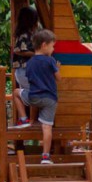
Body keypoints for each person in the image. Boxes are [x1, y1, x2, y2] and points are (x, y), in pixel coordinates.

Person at [20, 29, 59, 164]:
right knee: (47, 127)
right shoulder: (50, 61)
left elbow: (29, 79)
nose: (53, 49)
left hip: (34, 98)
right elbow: (58, 78)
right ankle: (45, 156)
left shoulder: (30, 62)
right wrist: (58, 68)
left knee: (16, 93)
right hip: (49, 99)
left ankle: (25, 119)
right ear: (44, 45)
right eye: (52, 46)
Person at [10, 6, 41, 125]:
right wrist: (35, 54)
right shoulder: (24, 35)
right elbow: (18, 50)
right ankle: (29, 120)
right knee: (34, 92)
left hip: (25, 70)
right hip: (25, 70)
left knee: (31, 92)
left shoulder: (28, 34)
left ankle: (27, 119)